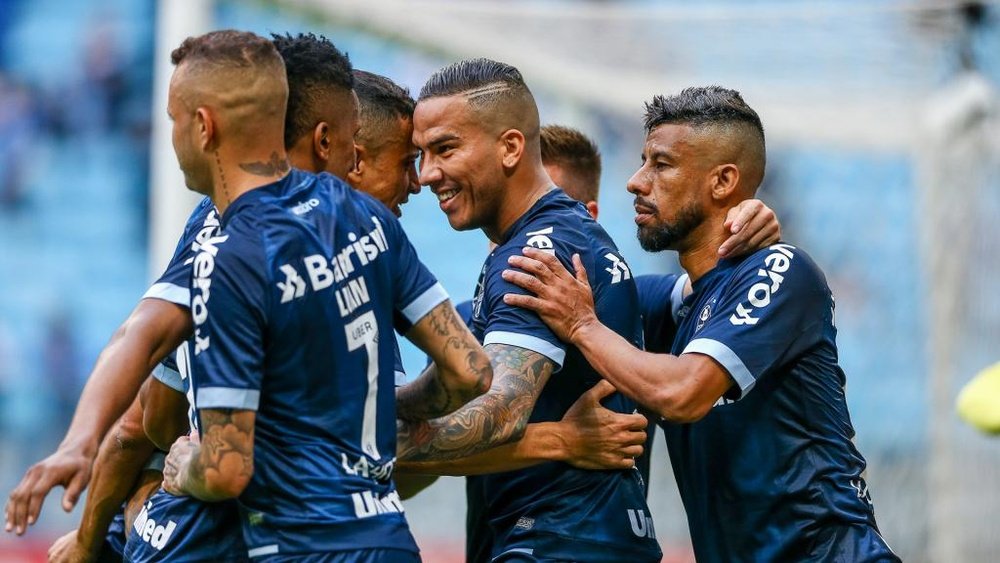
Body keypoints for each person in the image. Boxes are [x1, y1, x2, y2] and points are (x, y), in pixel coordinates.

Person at [502, 86, 899, 562]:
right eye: (642, 160)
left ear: (723, 181)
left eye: (661, 165)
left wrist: (582, 324)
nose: (635, 181)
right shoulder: (678, 304)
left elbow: (683, 393)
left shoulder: (783, 271)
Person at [158, 29, 490, 563]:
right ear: (329, 143)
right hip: (387, 539)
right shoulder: (369, 226)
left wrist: (182, 470)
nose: (417, 183)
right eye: (404, 163)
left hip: (295, 545)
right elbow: (472, 369)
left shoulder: (227, 249)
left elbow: (203, 456)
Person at [391, 58, 662, 562]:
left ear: (511, 146)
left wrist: (353, 444)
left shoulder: (537, 252)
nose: (426, 175)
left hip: (563, 541)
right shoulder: (532, 247)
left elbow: (501, 412)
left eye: (445, 149)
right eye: (421, 155)